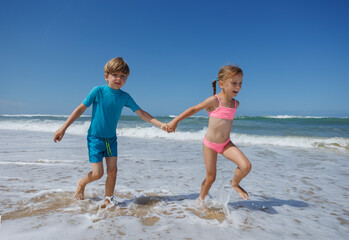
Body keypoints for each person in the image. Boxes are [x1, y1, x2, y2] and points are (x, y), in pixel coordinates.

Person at [53, 57, 167, 207]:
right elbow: (80, 109)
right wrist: (63, 128)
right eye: (115, 75)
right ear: (106, 76)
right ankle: (81, 183)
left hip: (111, 139)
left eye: (123, 76)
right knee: (98, 174)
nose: (119, 78)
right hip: (95, 138)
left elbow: (141, 113)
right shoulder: (98, 91)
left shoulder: (125, 97)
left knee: (113, 171)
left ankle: (108, 199)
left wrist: (161, 125)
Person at [167, 65, 251, 207]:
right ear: (222, 84)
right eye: (234, 83)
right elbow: (193, 109)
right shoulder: (215, 100)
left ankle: (235, 183)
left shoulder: (236, 104)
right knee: (211, 178)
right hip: (210, 145)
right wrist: (175, 121)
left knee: (246, 166)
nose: (238, 86)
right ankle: (201, 200)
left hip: (226, 144)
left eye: (240, 83)